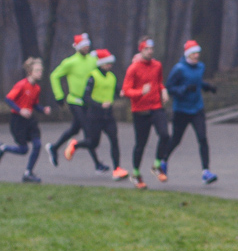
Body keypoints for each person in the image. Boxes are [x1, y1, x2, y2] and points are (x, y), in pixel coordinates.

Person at [163, 40, 218, 185]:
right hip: (181, 110)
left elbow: (197, 82)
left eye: (198, 53)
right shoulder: (179, 69)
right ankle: (163, 161)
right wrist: (184, 89)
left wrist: (208, 87)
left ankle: (206, 172)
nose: (196, 55)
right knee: (176, 139)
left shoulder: (200, 67)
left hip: (197, 109)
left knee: (202, 138)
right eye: (193, 53)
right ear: (187, 54)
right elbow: (169, 87)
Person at [68, 50, 128, 179]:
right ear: (101, 64)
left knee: (114, 140)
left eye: (110, 63)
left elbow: (117, 91)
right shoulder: (93, 76)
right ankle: (75, 145)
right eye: (107, 63)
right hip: (95, 116)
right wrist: (100, 104)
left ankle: (117, 169)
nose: (109, 66)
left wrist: (123, 93)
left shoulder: (112, 77)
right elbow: (86, 98)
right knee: (93, 143)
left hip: (108, 116)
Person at [120, 38, 171, 189]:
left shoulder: (157, 65)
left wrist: (163, 90)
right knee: (141, 144)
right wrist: (141, 92)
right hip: (140, 110)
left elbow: (159, 81)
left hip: (156, 107)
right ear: (141, 50)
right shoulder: (133, 68)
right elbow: (126, 90)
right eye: (147, 49)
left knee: (165, 135)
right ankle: (135, 174)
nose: (150, 51)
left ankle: (156, 165)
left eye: (152, 49)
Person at [0, 57, 51, 183]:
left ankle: (28, 173)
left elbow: (34, 104)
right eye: (37, 70)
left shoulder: (37, 88)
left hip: (30, 121)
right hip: (17, 121)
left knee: (37, 144)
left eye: (41, 70)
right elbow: (8, 99)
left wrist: (43, 109)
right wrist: (20, 110)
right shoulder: (21, 85)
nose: (40, 73)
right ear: (30, 72)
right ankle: (2, 148)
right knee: (23, 150)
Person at [47, 32, 97, 167]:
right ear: (77, 47)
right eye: (83, 45)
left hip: (88, 102)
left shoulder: (93, 60)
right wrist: (59, 96)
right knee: (88, 132)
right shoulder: (70, 62)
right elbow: (54, 76)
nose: (86, 48)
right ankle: (98, 164)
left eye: (87, 45)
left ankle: (54, 148)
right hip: (74, 101)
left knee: (75, 129)